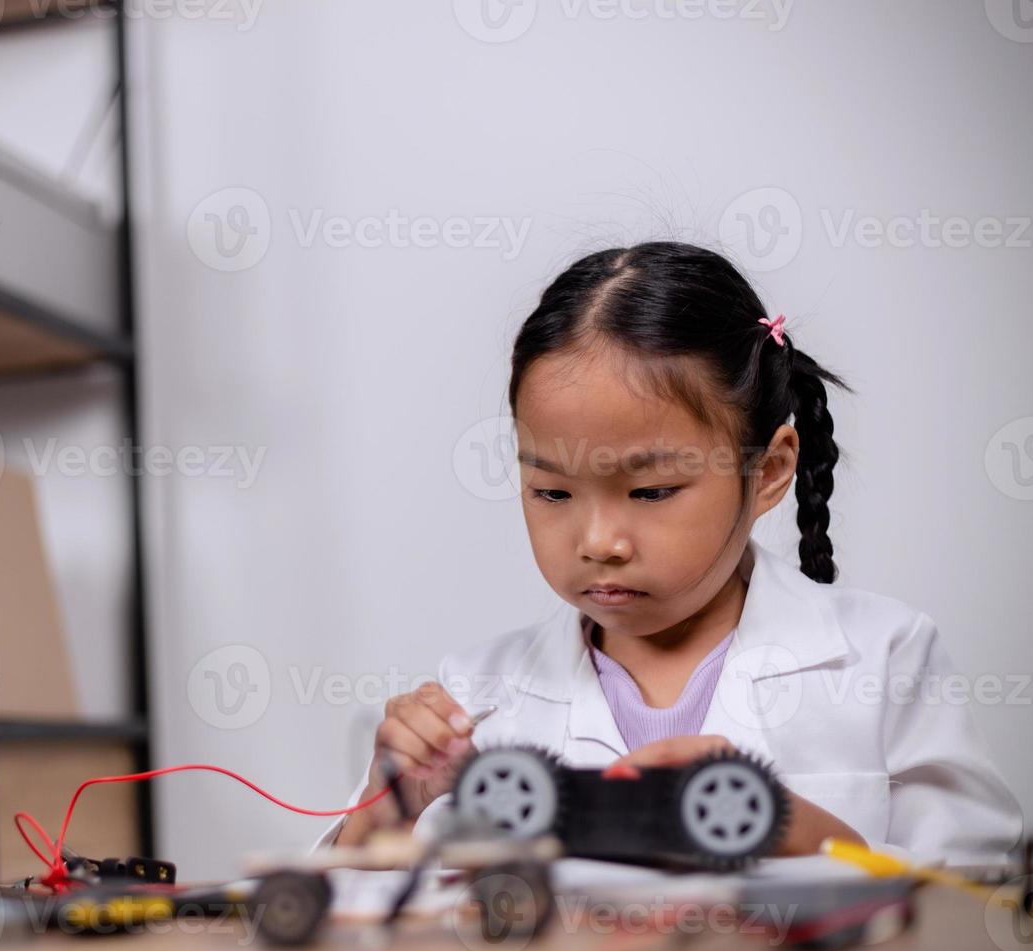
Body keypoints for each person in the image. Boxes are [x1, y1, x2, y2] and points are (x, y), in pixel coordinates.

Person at [320, 242, 1023, 864]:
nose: (599, 543)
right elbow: (352, 923)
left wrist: (795, 830)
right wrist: (393, 811)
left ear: (770, 471)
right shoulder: (473, 696)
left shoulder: (885, 655)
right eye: (553, 492)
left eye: (652, 491)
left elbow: (983, 902)